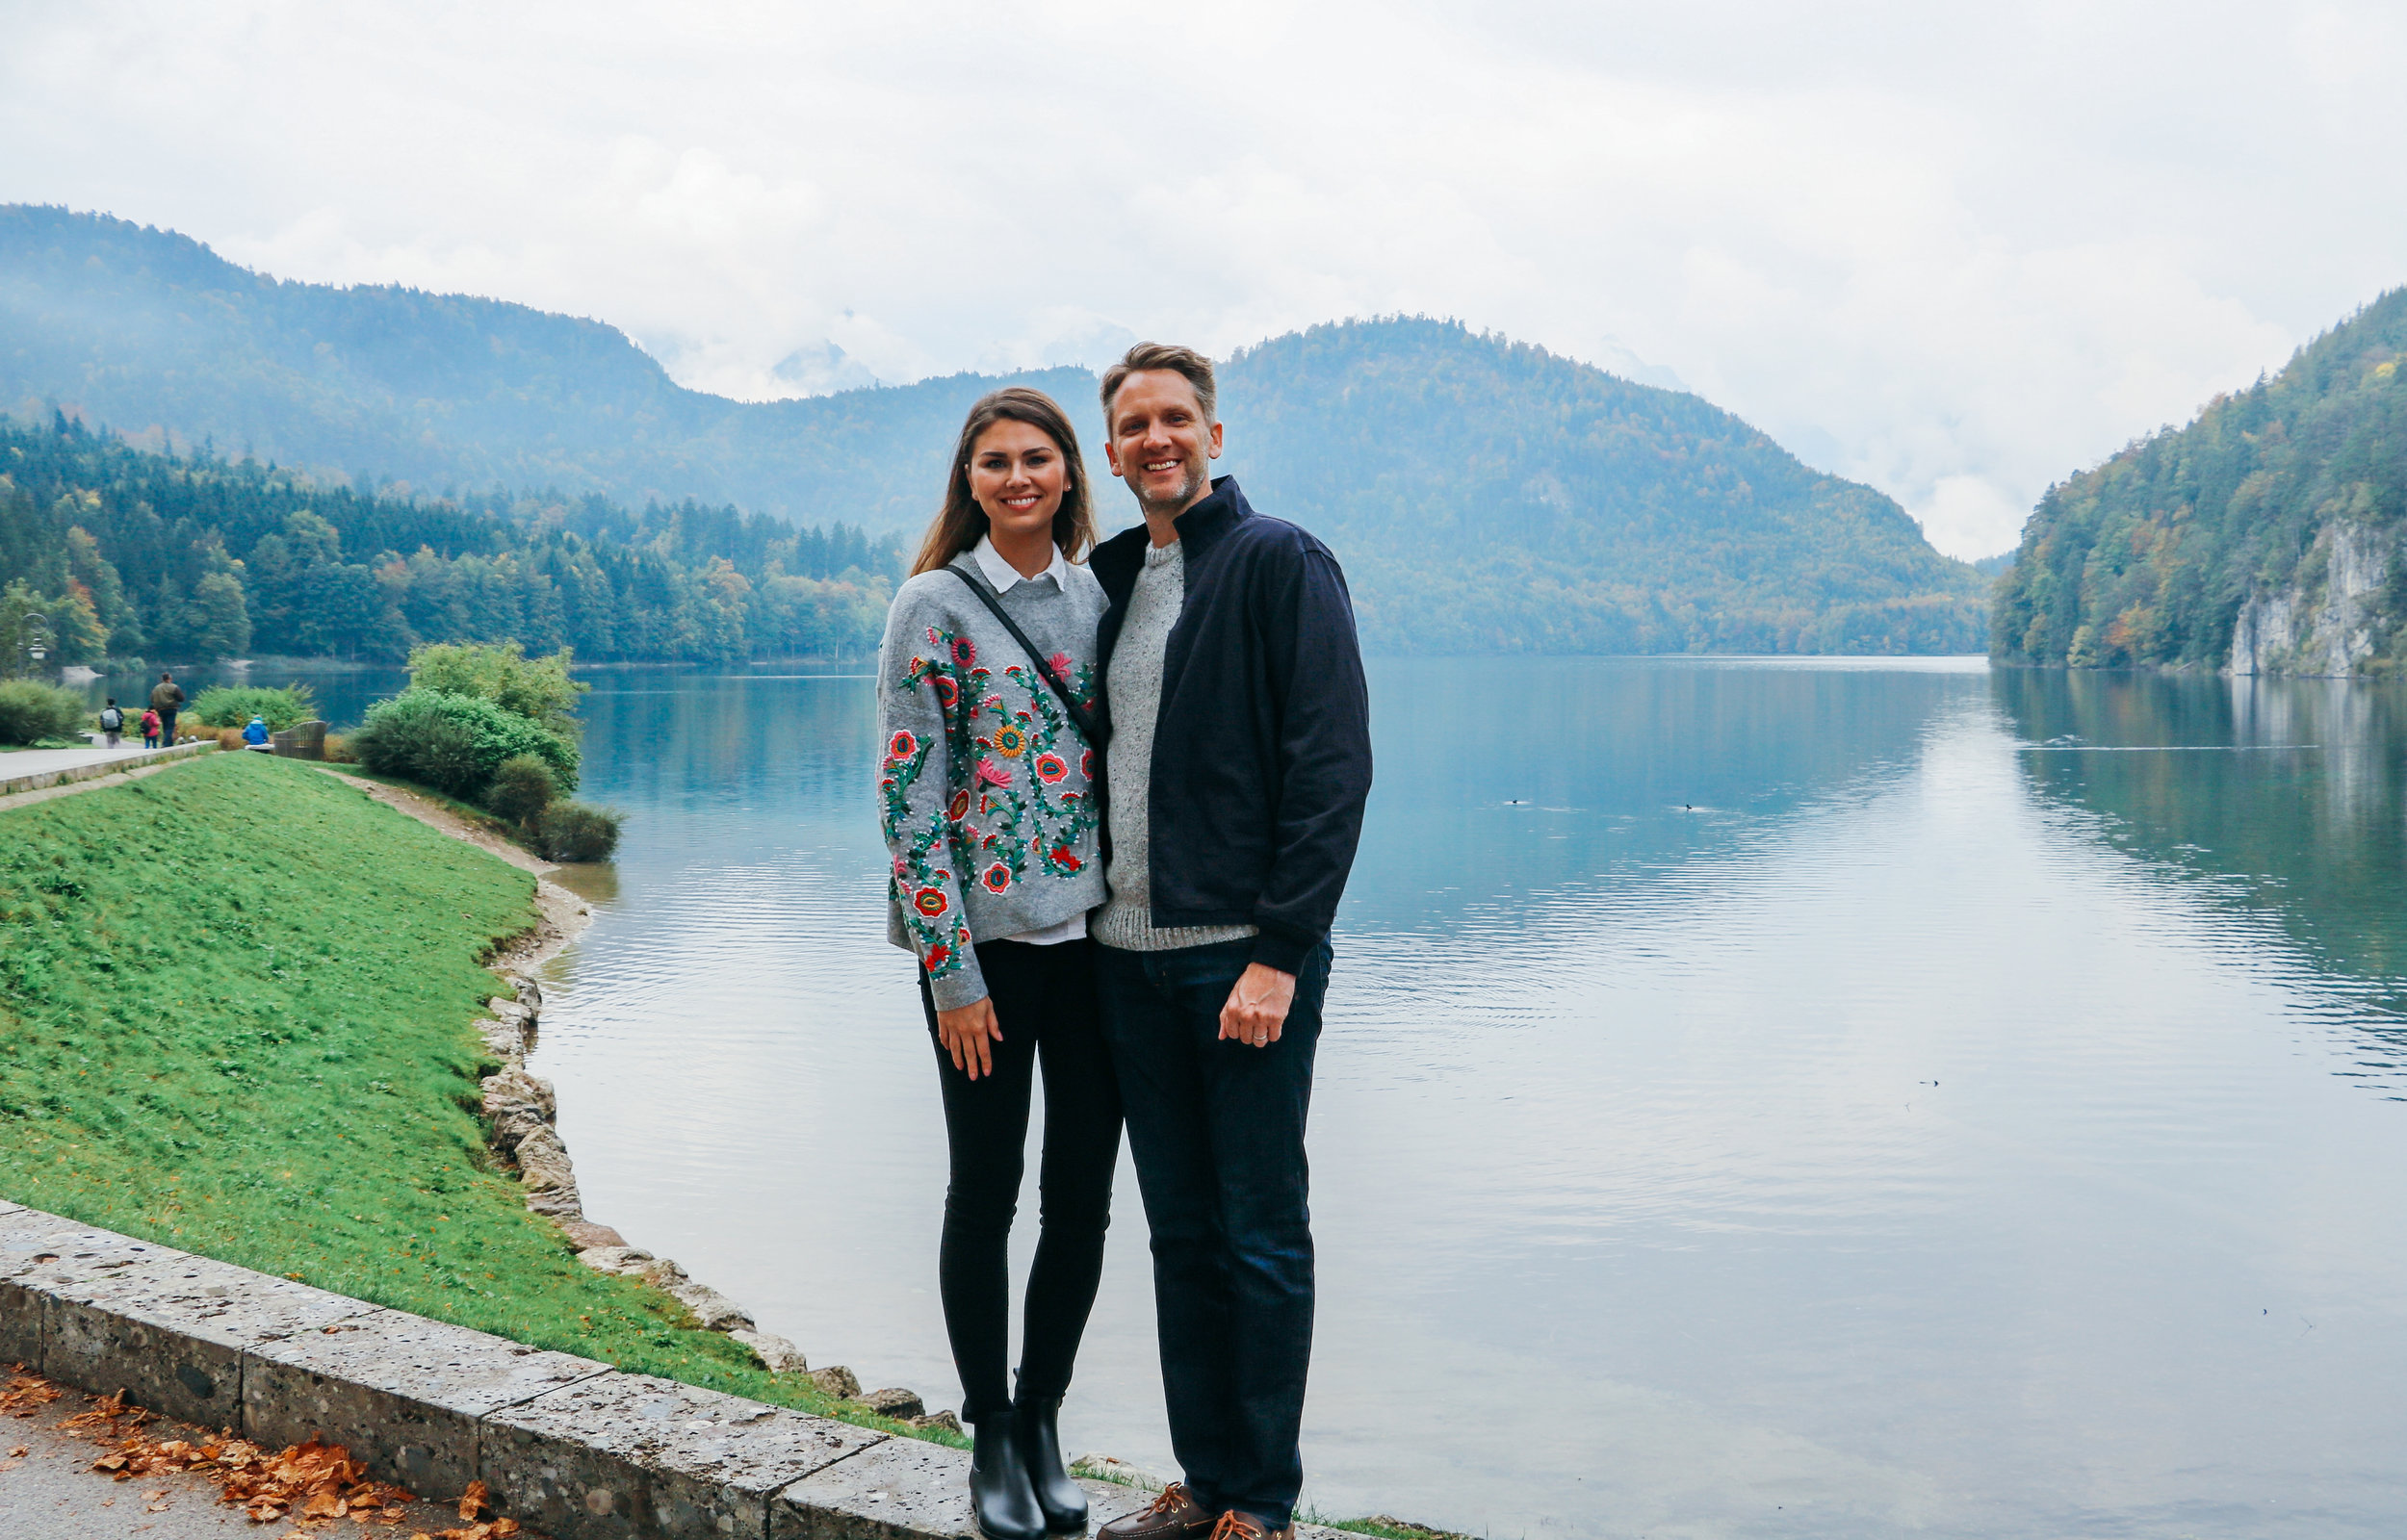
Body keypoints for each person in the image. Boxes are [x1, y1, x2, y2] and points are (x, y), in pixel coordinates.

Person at [1089, 345, 1372, 1540]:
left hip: (1239, 960)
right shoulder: (1112, 579)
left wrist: (1282, 951)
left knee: (1259, 1231)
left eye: (1174, 418)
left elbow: (1330, 765)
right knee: (1180, 1233)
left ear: (1213, 433)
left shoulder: (1276, 559)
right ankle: (1202, 1482)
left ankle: (1262, 1501)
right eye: (1132, 424)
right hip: (1127, 958)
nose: (1155, 439)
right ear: (1110, 452)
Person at [875, 387, 1121, 1540]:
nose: (1017, 477)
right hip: (982, 957)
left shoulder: (1101, 596)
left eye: (1037, 458)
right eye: (994, 463)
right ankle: (985, 1435)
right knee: (984, 1193)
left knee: (1078, 1203)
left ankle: (1041, 1420)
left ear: (1070, 471)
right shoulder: (932, 604)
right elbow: (907, 799)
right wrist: (951, 968)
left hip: (1098, 950)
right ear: (968, 482)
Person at [149, 672, 185, 745]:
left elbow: (152, 699)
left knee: (165, 726)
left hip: (160, 710)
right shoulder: (174, 687)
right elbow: (181, 698)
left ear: (162, 679)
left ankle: (169, 743)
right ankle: (165, 743)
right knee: (170, 726)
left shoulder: (156, 688)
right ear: (170, 679)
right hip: (171, 709)